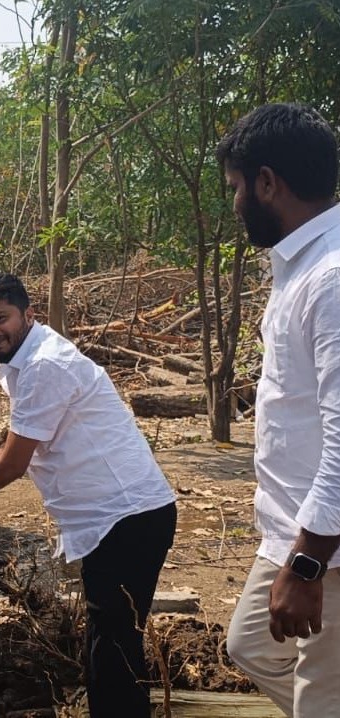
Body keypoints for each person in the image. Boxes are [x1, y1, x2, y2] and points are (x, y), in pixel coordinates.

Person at [0, 273, 176, 718]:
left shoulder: (43, 366)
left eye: (1, 319)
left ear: (28, 315)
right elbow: (13, 449)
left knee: (111, 655)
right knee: (111, 648)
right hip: (114, 520)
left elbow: (13, 464)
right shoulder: (24, 361)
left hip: (127, 518)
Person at [218, 103, 340, 716]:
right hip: (297, 533)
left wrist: (309, 563)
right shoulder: (301, 266)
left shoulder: (332, 277)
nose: (235, 203)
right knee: (252, 646)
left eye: (237, 188)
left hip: (327, 548)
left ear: (268, 183)